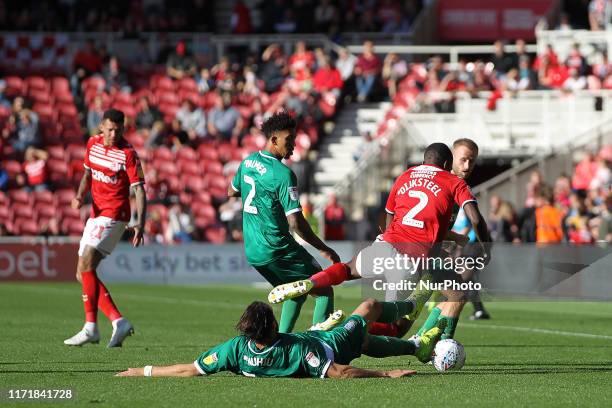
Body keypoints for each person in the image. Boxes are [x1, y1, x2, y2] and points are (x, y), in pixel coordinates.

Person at [269, 141, 491, 337]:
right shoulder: (454, 183)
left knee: (347, 269)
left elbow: (393, 217)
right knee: (396, 328)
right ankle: (347, 329)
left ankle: (311, 282)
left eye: (471, 161)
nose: (467, 166)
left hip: (387, 243)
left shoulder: (405, 176)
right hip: (410, 260)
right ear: (447, 163)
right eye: (463, 160)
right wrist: (486, 247)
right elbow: (476, 220)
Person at [116, 298, 446, 378]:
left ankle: (415, 347)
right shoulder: (299, 350)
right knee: (369, 307)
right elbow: (340, 371)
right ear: (272, 328)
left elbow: (189, 369)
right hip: (331, 345)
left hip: (314, 340)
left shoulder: (237, 351)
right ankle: (412, 304)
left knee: (367, 343)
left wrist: (141, 371)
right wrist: (387, 374)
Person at [228, 112, 340, 333]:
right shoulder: (283, 175)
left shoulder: (247, 161)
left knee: (295, 292)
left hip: (253, 251)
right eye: (289, 141)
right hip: (277, 247)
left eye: (294, 140)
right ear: (273, 140)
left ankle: (279, 342)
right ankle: (318, 345)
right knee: (323, 287)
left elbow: (231, 191)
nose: (293, 146)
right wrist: (324, 249)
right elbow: (296, 223)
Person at [64, 109, 146, 348]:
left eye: (118, 130)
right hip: (95, 215)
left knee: (87, 262)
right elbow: (87, 174)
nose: (113, 134)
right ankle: (118, 320)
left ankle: (91, 327)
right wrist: (79, 196)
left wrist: (140, 222)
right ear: (101, 127)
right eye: (110, 129)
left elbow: (139, 189)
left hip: (115, 216)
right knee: (82, 273)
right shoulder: (92, 144)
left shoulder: (128, 154)